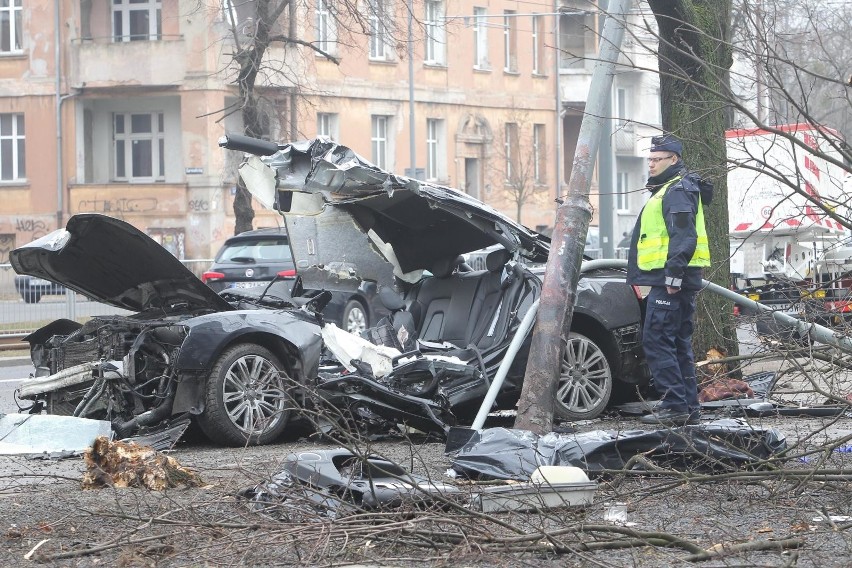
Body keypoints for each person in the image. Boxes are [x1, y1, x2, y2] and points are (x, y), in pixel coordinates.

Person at [626, 134, 713, 426]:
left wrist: (673, 275)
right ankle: (688, 407)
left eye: (656, 159)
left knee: (658, 340)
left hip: (671, 281)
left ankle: (675, 405)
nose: (650, 164)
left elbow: (684, 236)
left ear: (673, 159)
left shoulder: (676, 189)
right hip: (670, 279)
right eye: (649, 159)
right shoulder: (669, 188)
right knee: (676, 343)